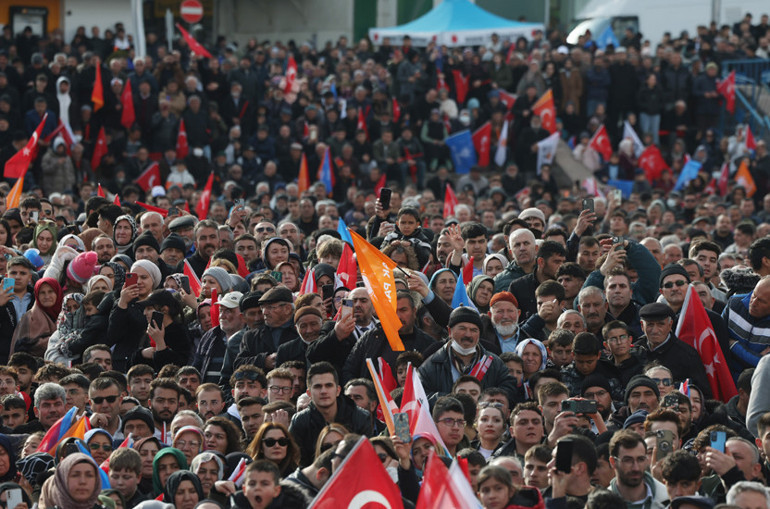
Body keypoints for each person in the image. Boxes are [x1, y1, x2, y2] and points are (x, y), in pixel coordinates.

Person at [418, 307, 517, 406]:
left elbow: (509, 390)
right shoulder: (431, 365)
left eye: (474, 330)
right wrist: (452, 400)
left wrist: (484, 400)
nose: (468, 335)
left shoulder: (494, 363)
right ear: (450, 331)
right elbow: (420, 397)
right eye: (462, 328)